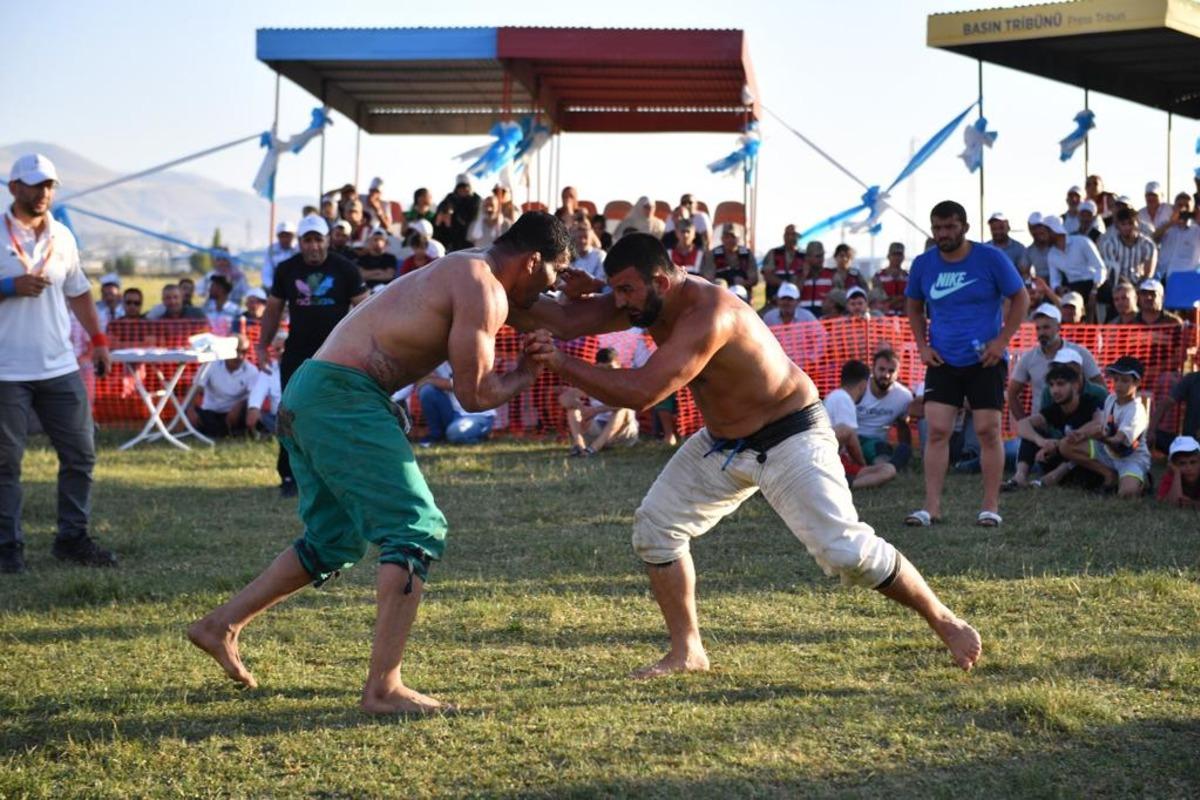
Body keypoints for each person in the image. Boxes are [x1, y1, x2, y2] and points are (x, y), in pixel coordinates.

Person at [515, 232, 982, 679]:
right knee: (656, 529)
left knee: (845, 552)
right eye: (614, 290)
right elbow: (562, 321)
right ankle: (687, 651)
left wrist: (562, 364)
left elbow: (642, 392)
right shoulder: (644, 300)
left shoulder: (710, 313)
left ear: (660, 282)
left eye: (625, 291)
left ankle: (943, 620)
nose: (618, 302)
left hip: (791, 435)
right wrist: (513, 283)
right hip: (722, 442)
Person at [188, 211, 575, 715]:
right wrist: (527, 370)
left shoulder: (466, 266)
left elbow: (574, 318)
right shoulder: (483, 286)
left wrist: (588, 291)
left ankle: (219, 626)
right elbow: (476, 393)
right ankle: (384, 689)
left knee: (333, 541)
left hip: (312, 390)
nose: (553, 287)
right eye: (556, 274)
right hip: (342, 397)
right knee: (416, 528)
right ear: (533, 261)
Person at [0, 153, 117, 574]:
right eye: (34, 185)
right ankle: (7, 548)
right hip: (6, 370)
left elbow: (80, 292)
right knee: (5, 463)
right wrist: (8, 285)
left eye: (49, 185)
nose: (43, 192)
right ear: (14, 188)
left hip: (59, 365)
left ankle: (72, 538)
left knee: (81, 453)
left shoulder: (62, 235)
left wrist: (99, 341)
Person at [905, 200, 1029, 528]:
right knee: (937, 431)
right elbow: (914, 306)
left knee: (988, 431)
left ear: (964, 227)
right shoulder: (923, 264)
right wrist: (922, 345)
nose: (943, 234)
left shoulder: (990, 258)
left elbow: (1021, 298)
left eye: (949, 227)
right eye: (937, 228)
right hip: (943, 359)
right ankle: (931, 508)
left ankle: (990, 507)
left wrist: (1001, 342)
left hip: (985, 359)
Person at [257, 214, 369, 498]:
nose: (313, 246)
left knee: (340, 413)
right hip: (298, 353)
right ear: (300, 243)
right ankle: (289, 475)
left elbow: (365, 310)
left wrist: (367, 349)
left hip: (337, 353)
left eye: (318, 239)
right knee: (290, 413)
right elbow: (272, 310)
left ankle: (342, 473)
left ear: (327, 240)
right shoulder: (286, 270)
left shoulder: (346, 269)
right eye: (307, 240)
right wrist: (262, 345)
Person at [1059, 356, 1151, 499]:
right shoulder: (1111, 399)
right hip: (1108, 451)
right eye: (1116, 379)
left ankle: (1141, 480)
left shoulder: (1136, 410)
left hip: (1131, 458)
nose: (1119, 385)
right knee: (1065, 445)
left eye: (1125, 381)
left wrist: (1100, 437)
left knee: (1126, 495)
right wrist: (1082, 435)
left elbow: (1118, 440)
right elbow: (1105, 427)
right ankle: (1109, 475)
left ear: (1137, 382)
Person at [1011, 359, 1105, 490]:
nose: (1055, 390)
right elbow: (1022, 425)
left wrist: (1057, 444)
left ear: (1076, 385)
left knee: (1082, 444)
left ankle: (1051, 478)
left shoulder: (1091, 403)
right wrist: (1042, 441)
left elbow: (1098, 426)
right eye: (1051, 385)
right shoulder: (1055, 409)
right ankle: (1019, 477)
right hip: (1058, 455)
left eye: (1060, 384)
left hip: (1085, 465)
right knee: (1033, 432)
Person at [824, 360, 899, 490]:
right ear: (864, 384)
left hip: (834, 459)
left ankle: (847, 482)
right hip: (834, 461)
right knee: (888, 470)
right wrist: (862, 463)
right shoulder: (844, 399)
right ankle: (848, 485)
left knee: (886, 468)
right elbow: (849, 436)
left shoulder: (835, 396)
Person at [559, 348, 639, 456]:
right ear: (596, 367)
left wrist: (595, 411)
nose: (608, 372)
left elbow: (627, 402)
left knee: (623, 410)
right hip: (598, 429)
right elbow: (564, 398)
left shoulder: (625, 381)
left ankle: (593, 449)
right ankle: (579, 445)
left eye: (611, 368)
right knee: (572, 408)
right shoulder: (593, 384)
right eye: (603, 369)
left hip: (623, 434)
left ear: (619, 365)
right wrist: (581, 407)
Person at [186, 335, 259, 438]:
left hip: (236, 415)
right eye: (236, 351)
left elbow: (255, 397)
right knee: (187, 409)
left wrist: (241, 404)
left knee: (249, 411)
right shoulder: (210, 364)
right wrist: (190, 409)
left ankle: (237, 431)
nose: (240, 356)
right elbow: (196, 387)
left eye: (244, 352)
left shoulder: (252, 371)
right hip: (211, 412)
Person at [416, 362, 498, 445]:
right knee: (427, 391)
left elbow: (463, 385)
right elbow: (420, 382)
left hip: (478, 414)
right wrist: (427, 379)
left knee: (455, 432)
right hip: (453, 412)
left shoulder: (470, 358)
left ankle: (479, 436)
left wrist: (431, 380)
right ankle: (436, 436)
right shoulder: (438, 362)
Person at [1148, 367, 1200, 452]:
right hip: (1188, 441)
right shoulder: (1192, 379)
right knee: (1155, 436)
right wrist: (1151, 431)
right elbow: (1164, 405)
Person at [246, 333, 285, 436]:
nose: (281, 352)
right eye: (277, 349)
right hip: (276, 418)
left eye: (284, 348)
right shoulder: (269, 369)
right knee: (258, 416)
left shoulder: (303, 367)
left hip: (299, 416)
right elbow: (258, 391)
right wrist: (254, 407)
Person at [434, 174, 482, 252]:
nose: (463, 190)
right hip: (452, 239)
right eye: (460, 187)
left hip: (468, 239)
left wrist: (454, 213)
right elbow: (441, 209)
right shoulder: (451, 198)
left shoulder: (476, 200)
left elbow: (470, 219)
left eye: (465, 187)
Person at [762, 226, 806, 307]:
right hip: (773, 301)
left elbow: (805, 275)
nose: (790, 238)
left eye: (793, 235)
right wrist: (785, 285)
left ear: (798, 237)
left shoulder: (803, 256)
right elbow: (767, 275)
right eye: (787, 235)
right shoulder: (774, 253)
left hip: (795, 302)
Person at [708, 224, 756, 289]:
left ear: (738, 239)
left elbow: (754, 278)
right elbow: (708, 277)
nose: (730, 240)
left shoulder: (747, 254)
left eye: (733, 237)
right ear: (722, 239)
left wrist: (744, 282)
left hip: (741, 291)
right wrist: (720, 284)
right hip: (719, 290)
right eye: (726, 237)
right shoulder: (713, 254)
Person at [1158, 435, 1200, 508]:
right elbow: (1173, 502)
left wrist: (1192, 503)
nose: (1189, 468)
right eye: (1182, 463)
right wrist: (1177, 474)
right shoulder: (1171, 476)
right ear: (1173, 465)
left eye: (1193, 462)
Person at [357, 226, 399, 291]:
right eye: (375, 240)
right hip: (366, 291)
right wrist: (378, 271)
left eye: (381, 240)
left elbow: (389, 275)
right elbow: (361, 276)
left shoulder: (390, 258)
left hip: (385, 290)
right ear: (369, 241)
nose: (378, 242)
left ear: (386, 243)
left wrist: (369, 275)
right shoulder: (362, 258)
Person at [874, 243, 909, 316]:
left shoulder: (908, 276)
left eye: (899, 255)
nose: (897, 257)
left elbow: (911, 297)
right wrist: (898, 299)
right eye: (894, 254)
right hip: (884, 316)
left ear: (903, 257)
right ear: (888, 256)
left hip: (905, 316)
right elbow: (878, 298)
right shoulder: (879, 276)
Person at [263, 220, 297, 292]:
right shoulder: (271, 250)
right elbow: (267, 271)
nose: (285, 239)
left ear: (293, 236)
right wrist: (272, 288)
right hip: (276, 287)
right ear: (278, 236)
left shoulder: (299, 249)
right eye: (282, 236)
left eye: (288, 235)